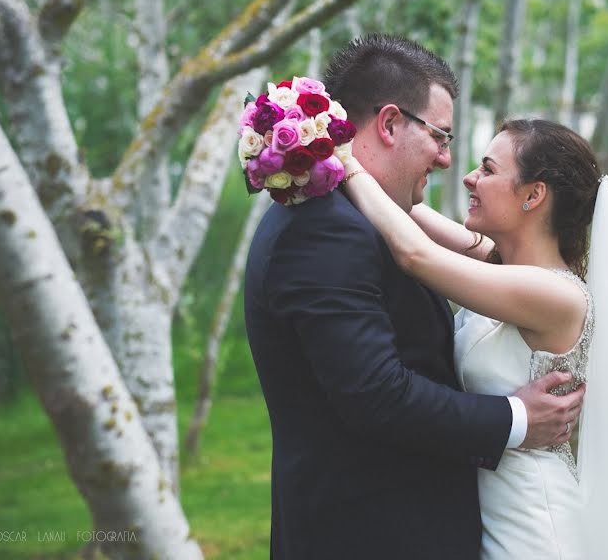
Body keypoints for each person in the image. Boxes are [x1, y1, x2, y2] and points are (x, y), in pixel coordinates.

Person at [243, 34, 585, 560]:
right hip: (368, 533)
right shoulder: (329, 228)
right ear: (387, 123)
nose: (451, 162)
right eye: (441, 137)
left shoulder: (353, 216)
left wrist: (342, 163)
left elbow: (440, 251)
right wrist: (516, 419)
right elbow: (378, 394)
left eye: (486, 168)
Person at [342, 118, 608, 558]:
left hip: (534, 523)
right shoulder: (506, 269)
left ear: (534, 195)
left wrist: (343, 161)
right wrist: (342, 160)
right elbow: (405, 212)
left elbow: (415, 253)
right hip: (491, 508)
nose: (468, 178)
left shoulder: (555, 295)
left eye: (488, 169)